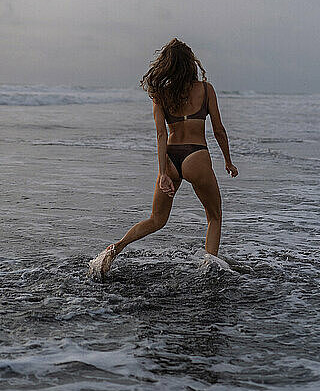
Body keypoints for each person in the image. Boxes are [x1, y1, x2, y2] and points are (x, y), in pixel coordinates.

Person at [88, 38, 238, 280]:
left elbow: (160, 134)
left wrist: (164, 172)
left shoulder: (160, 94)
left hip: (170, 158)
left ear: (166, 65)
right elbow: (219, 129)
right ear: (191, 64)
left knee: (156, 219)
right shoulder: (206, 89)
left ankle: (114, 249)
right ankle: (209, 269)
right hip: (196, 156)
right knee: (214, 216)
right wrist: (228, 161)